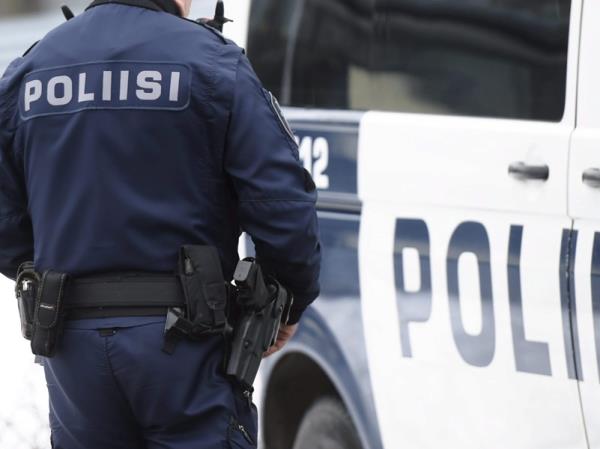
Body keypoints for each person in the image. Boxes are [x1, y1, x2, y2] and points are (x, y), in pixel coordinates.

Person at [0, 0, 321, 448]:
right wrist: (288, 298)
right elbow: (282, 203)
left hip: (71, 343)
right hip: (187, 343)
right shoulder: (213, 61)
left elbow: (6, 224)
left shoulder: (29, 70)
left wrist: (50, 265)